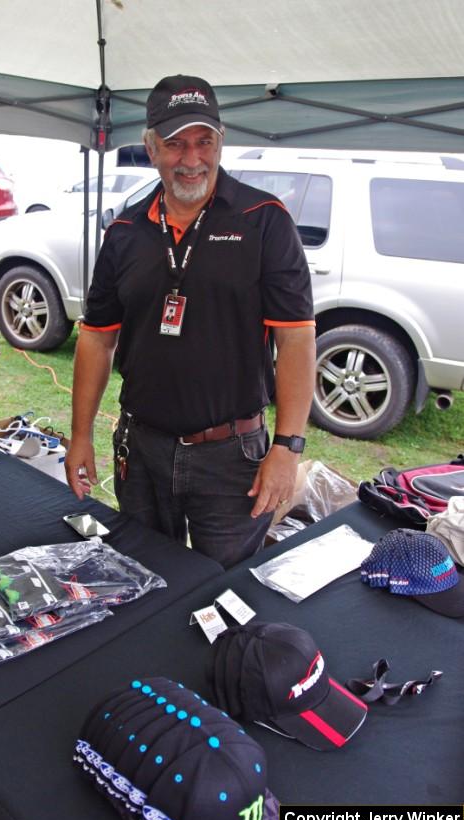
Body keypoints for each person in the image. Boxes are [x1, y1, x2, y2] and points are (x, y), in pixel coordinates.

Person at [65, 74, 316, 568]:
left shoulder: (264, 220)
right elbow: (95, 340)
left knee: (224, 595)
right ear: (151, 148)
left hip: (231, 458)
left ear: (221, 142)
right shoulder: (124, 231)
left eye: (205, 141)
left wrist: (287, 448)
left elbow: (296, 342)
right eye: (175, 144)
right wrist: (79, 436)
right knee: (144, 580)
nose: (192, 158)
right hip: (141, 449)